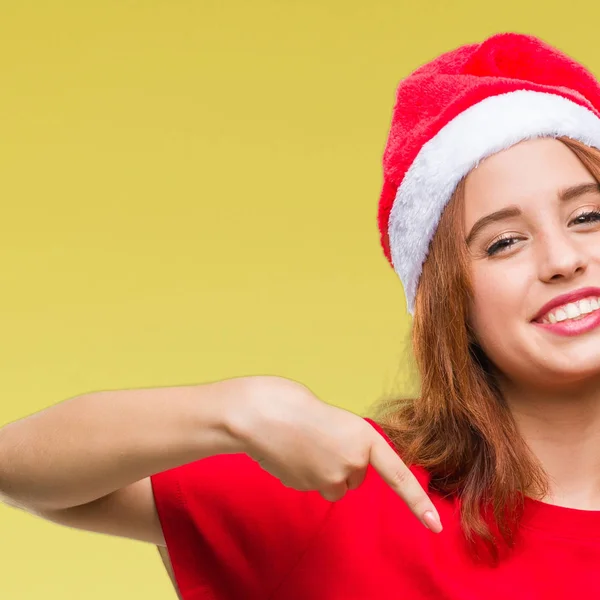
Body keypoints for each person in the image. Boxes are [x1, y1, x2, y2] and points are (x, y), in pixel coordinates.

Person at [2, 31, 600, 599]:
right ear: (451, 305)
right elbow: (15, 466)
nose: (562, 260)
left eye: (586, 218)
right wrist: (236, 410)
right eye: (502, 243)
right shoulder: (357, 494)